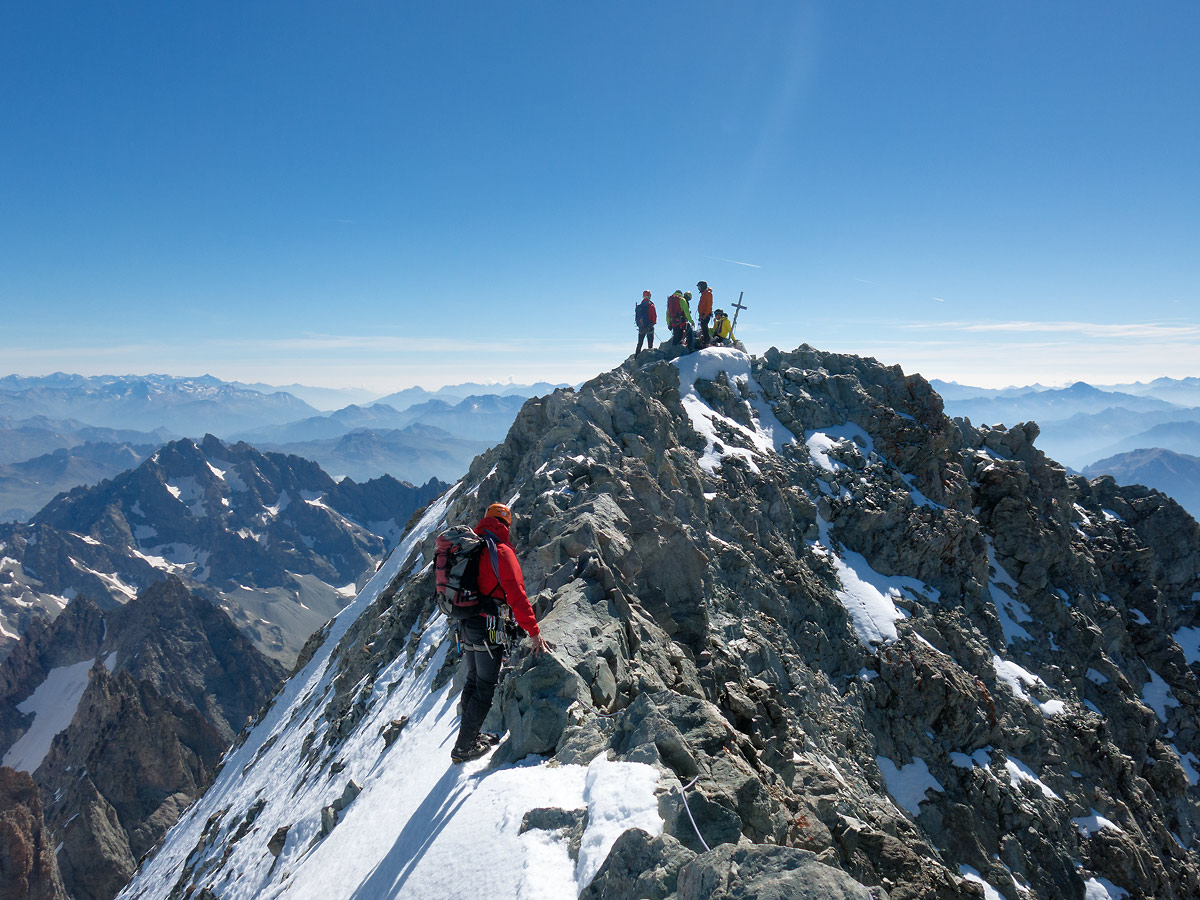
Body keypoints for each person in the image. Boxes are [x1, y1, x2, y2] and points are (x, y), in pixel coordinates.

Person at [451, 502, 547, 763]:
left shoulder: (470, 548)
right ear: (506, 524)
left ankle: (469, 737)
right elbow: (517, 596)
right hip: (487, 627)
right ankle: (463, 747)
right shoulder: (501, 552)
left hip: (466, 623)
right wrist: (534, 631)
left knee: (473, 680)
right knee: (485, 686)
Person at [634, 291, 656, 356]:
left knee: (640, 343)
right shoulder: (651, 305)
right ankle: (650, 356)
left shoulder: (639, 306)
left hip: (641, 327)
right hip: (649, 326)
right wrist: (653, 323)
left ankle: (637, 356)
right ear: (649, 296)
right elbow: (654, 316)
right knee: (650, 343)